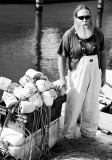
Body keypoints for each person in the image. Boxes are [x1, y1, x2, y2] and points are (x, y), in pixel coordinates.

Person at [56, 4, 107, 139]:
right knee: (74, 104)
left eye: (87, 17)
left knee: (91, 104)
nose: (84, 20)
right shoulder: (69, 35)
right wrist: (62, 78)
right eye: (81, 17)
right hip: (77, 75)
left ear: (91, 18)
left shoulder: (98, 32)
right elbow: (61, 57)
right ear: (75, 18)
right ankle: (69, 135)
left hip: (95, 74)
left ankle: (89, 133)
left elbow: (103, 53)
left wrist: (104, 75)